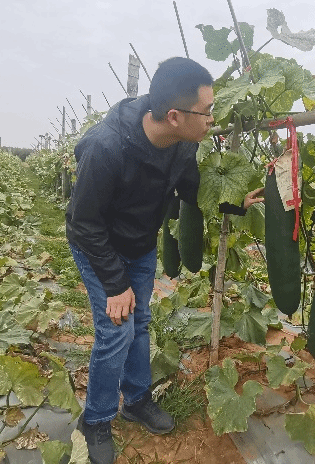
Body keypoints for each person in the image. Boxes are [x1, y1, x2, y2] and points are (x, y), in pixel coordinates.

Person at [66, 57, 264, 464]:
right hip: (97, 246)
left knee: (139, 323)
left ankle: (137, 400)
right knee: (116, 331)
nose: (213, 119)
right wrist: (115, 284)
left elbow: (191, 189)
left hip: (140, 245)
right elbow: (83, 224)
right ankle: (96, 419)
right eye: (207, 110)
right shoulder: (106, 147)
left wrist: (234, 203)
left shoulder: (182, 143)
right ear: (175, 116)